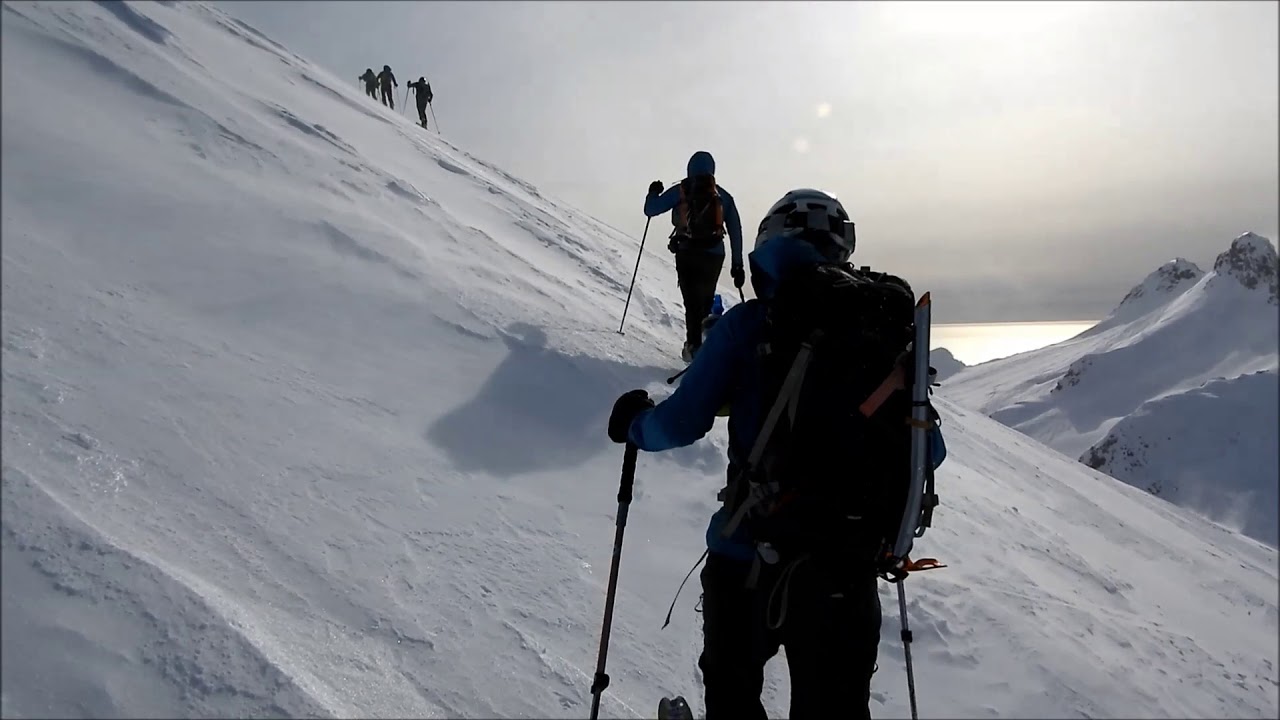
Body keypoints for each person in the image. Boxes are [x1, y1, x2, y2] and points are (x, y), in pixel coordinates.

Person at [608, 189, 944, 720]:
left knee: (733, 697)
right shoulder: (882, 332)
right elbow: (929, 450)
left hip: (748, 556)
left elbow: (680, 422)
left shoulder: (750, 325)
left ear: (770, 241)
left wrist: (634, 426)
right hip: (846, 566)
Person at [644, 151, 744, 362]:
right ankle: (704, 347)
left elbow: (651, 210)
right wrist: (738, 265)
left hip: (688, 252)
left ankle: (694, 348)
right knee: (705, 302)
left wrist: (653, 193)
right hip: (714, 255)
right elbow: (736, 231)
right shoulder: (723, 197)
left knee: (692, 303)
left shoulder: (681, 191)